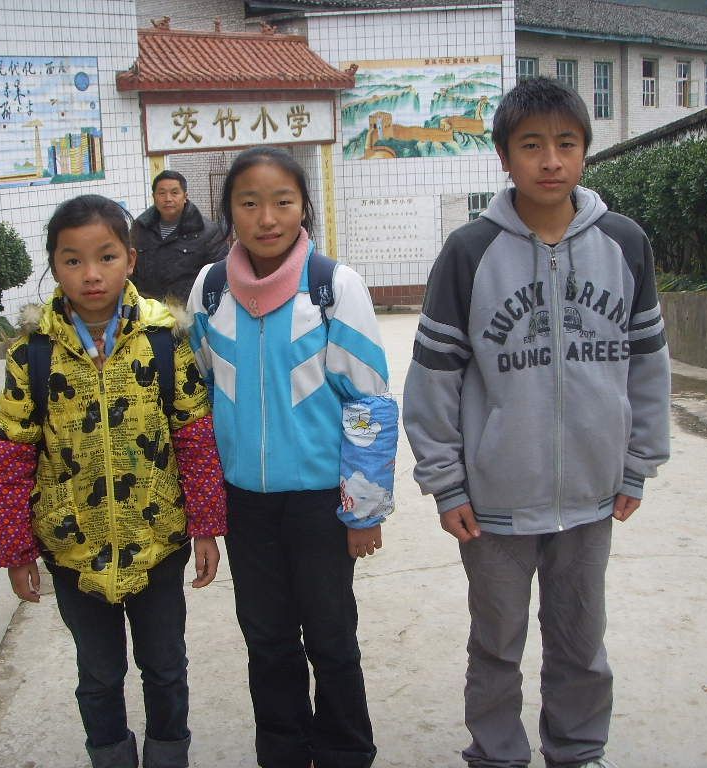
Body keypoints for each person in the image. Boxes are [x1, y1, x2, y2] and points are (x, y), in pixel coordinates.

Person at [403, 76, 670, 768]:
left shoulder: (625, 242)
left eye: (566, 143)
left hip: (590, 494)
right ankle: (497, 753)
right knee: (496, 642)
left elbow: (647, 364)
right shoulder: (469, 251)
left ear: (585, 151)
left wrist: (638, 462)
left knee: (581, 638)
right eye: (531, 145)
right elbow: (433, 379)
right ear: (504, 157)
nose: (550, 160)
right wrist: (447, 484)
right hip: (495, 502)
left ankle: (577, 749)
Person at [0, 194, 227, 768]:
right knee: (97, 673)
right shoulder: (33, 355)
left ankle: (169, 755)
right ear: (54, 265)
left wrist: (206, 527)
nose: (91, 274)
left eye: (106, 257)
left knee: (165, 667)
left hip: (158, 541)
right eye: (73, 260)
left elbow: (194, 437)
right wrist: (15, 549)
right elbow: (8, 455)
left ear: (130, 260)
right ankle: (110, 756)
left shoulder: (164, 341)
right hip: (73, 547)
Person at [187, 146, 398, 768]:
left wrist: (363, 513)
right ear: (229, 212)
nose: (267, 218)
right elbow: (201, 396)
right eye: (249, 203)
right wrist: (207, 510)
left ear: (303, 205)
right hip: (245, 505)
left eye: (282, 201)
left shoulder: (333, 288)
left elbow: (369, 405)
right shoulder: (211, 290)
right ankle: (281, 751)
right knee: (267, 638)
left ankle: (345, 750)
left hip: (319, 505)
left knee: (331, 637)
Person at [133, 170, 227, 303]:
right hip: (148, 310)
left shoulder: (209, 232)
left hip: (189, 310)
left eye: (174, 193)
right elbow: (130, 271)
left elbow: (219, 276)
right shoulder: (140, 229)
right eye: (162, 193)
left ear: (185, 196)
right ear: (153, 197)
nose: (168, 199)